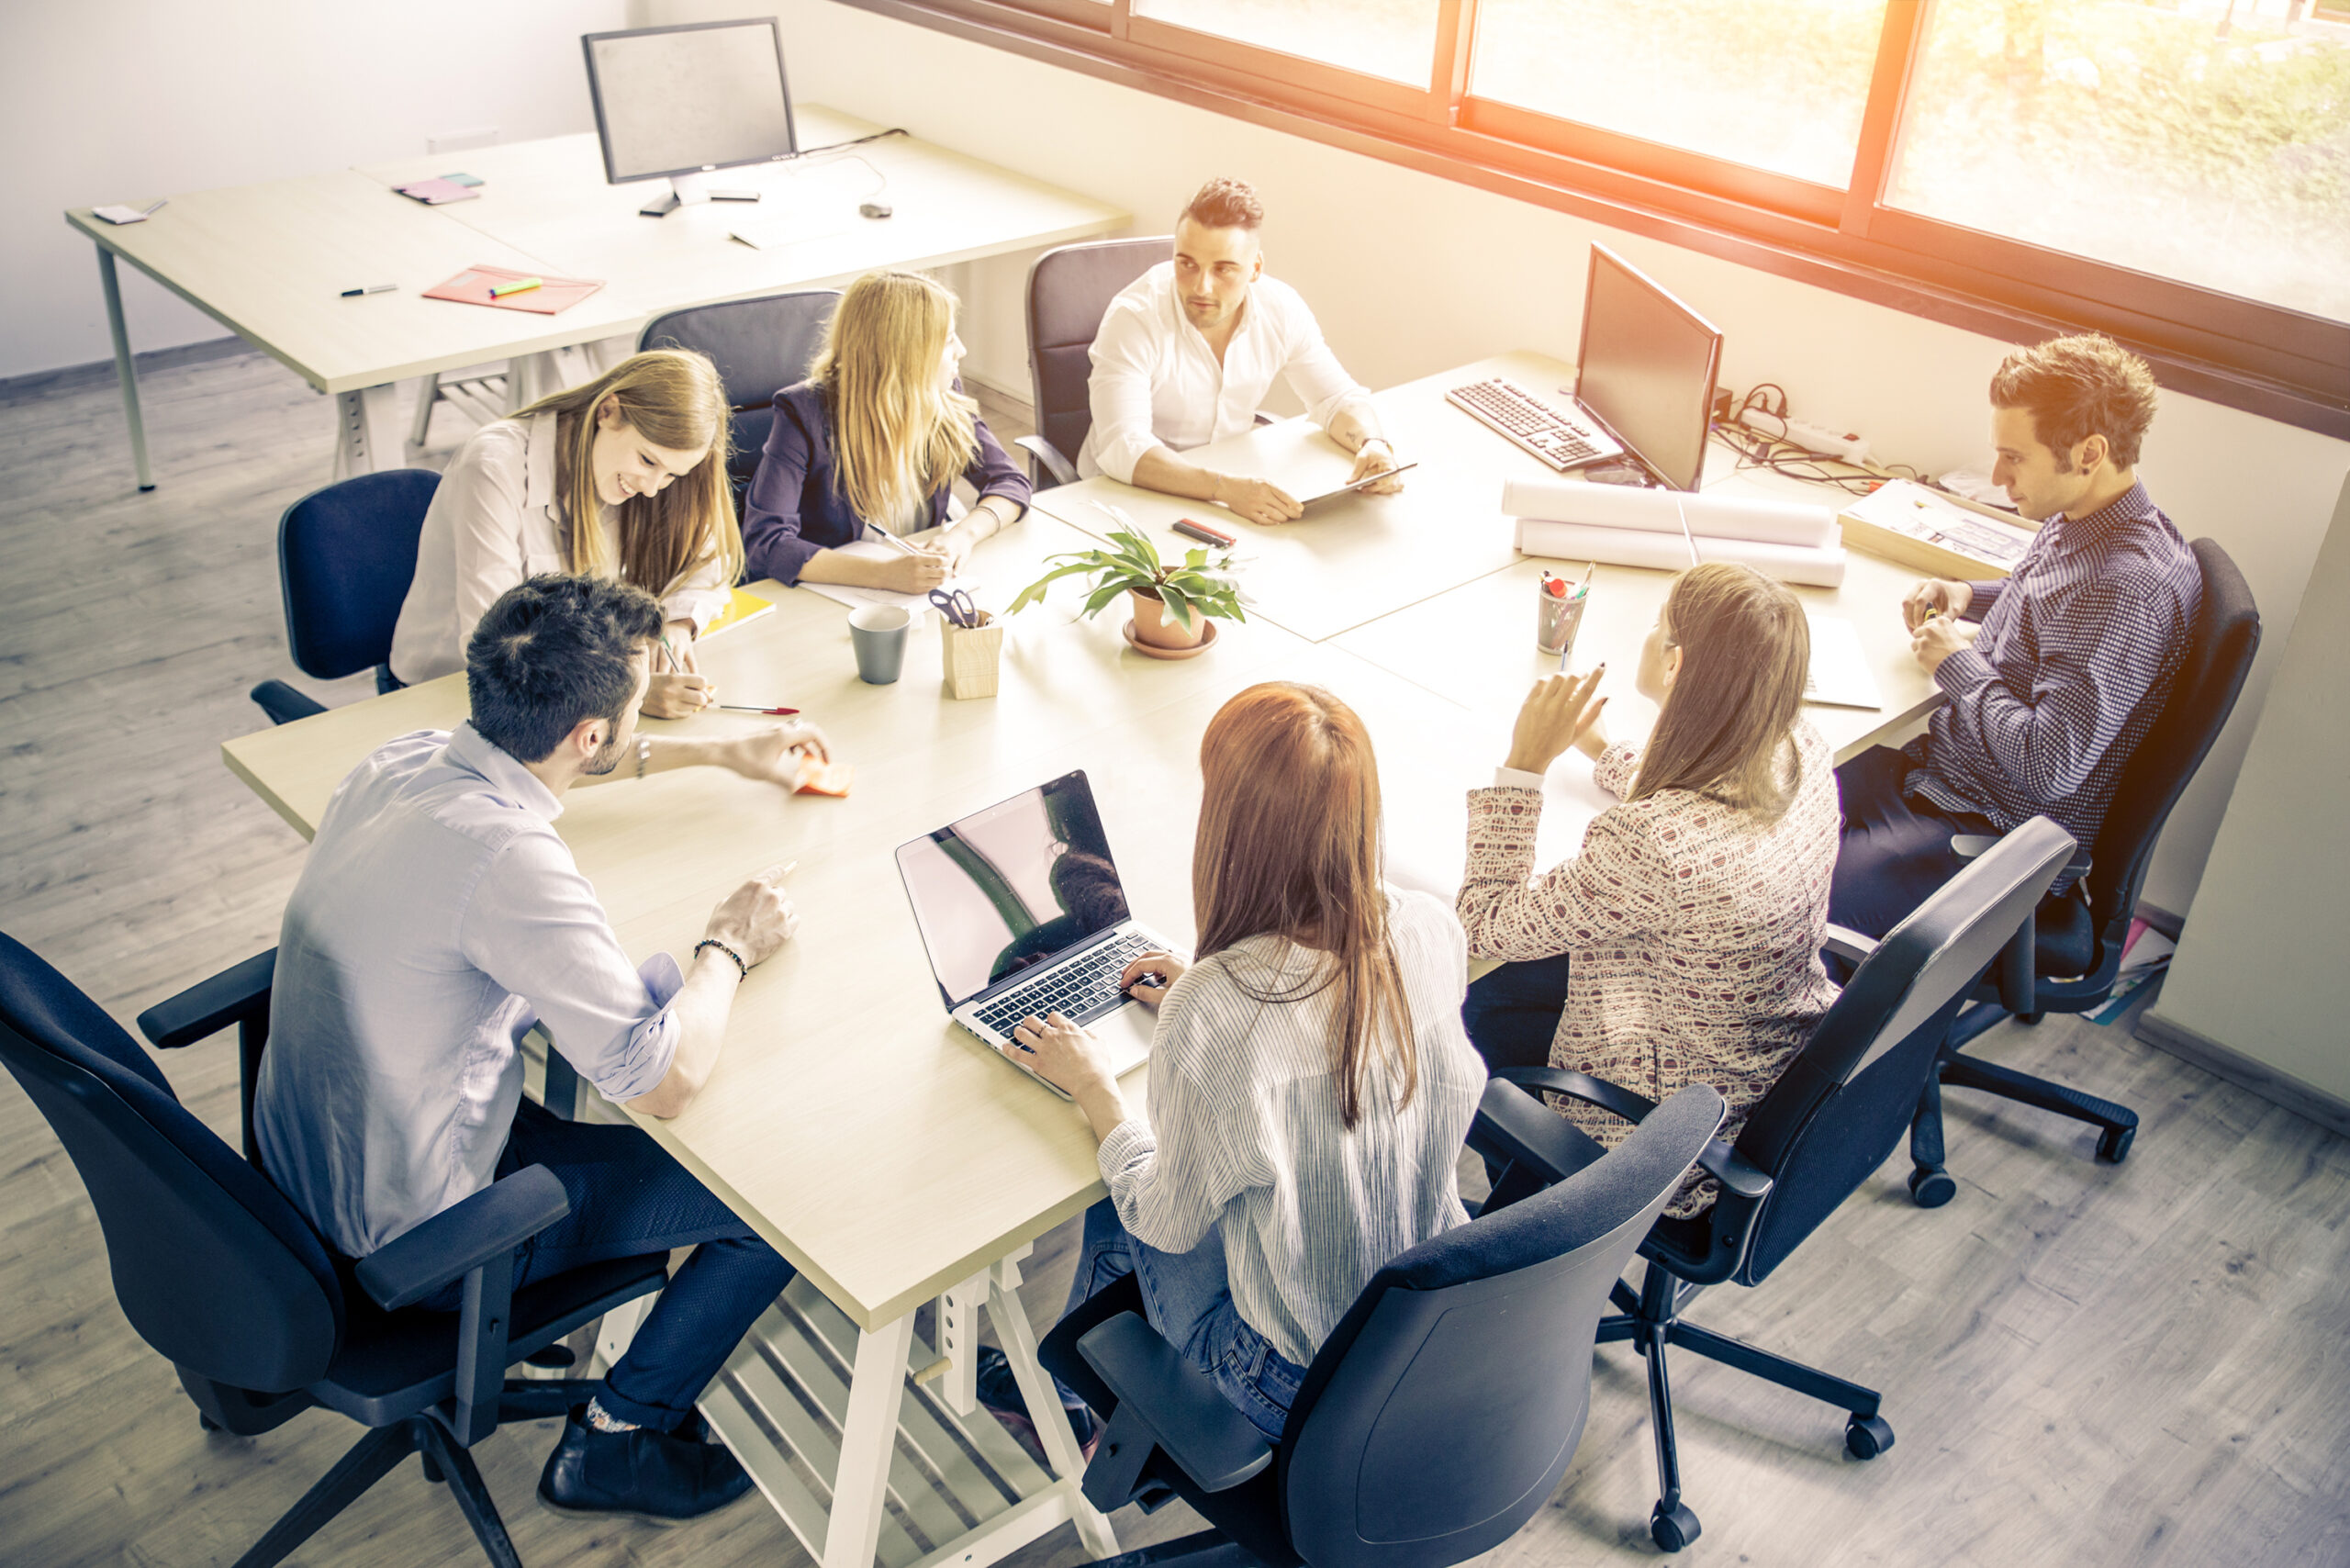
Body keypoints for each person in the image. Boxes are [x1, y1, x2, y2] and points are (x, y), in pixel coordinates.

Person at [255, 574, 831, 1523]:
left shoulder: (396, 759)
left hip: (300, 1171)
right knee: (780, 1203)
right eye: (632, 706)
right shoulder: (511, 863)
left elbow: (563, 772)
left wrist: (722, 748)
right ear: (588, 735)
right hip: (419, 1240)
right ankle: (616, 1439)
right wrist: (729, 944)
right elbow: (665, 1079)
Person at [989, 681, 1486, 1448]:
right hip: (1420, 1332)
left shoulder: (1218, 1012)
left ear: (1231, 830)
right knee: (1179, 1162)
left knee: (1115, 1181)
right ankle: (1068, 1394)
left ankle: (1070, 1410)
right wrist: (1212, 994)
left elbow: (1166, 1219)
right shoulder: (1428, 928)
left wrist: (1095, 1088)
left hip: (1288, 1380)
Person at [1455, 564, 1840, 1216]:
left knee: (1465, 993)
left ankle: (1531, 1226)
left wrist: (1524, 765)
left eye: (1658, 621)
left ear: (1675, 662)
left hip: (1666, 1133)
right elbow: (1708, 813)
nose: (1648, 631)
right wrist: (1603, 748)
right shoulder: (1798, 748)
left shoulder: (1651, 845)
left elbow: (1483, 921)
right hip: (1761, 1073)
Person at [1830, 333, 2199, 940]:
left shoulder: (2128, 589)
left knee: (1783, 900)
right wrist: (1966, 594)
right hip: (1940, 780)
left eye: (2015, 458)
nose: (1999, 475)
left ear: (2089, 452)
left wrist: (1956, 663)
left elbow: (2048, 763)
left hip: (1991, 834)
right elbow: (2053, 602)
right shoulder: (2086, 519)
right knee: (1751, 804)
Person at [391, 349, 744, 719]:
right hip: (450, 692)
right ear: (608, 412)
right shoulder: (494, 468)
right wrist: (630, 692)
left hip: (572, 687)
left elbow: (706, 564)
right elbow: (499, 649)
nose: (653, 488)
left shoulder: (644, 478)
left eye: (672, 474)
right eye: (648, 460)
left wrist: (677, 622)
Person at [1077, 177, 1403, 526]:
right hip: (1126, 497)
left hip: (1232, 490)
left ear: (1255, 269)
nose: (1201, 286)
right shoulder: (1134, 317)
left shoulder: (1281, 308)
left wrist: (1373, 444)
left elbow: (1336, 398)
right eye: (1186, 265)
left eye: (1223, 270)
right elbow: (1123, 446)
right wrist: (1225, 489)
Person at [742, 270, 1030, 593]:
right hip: (840, 590)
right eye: (948, 339)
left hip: (919, 585)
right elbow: (766, 543)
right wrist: (884, 574)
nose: (961, 350)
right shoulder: (803, 413)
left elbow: (1010, 482)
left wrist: (963, 535)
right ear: (905, 354)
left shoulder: (943, 395)